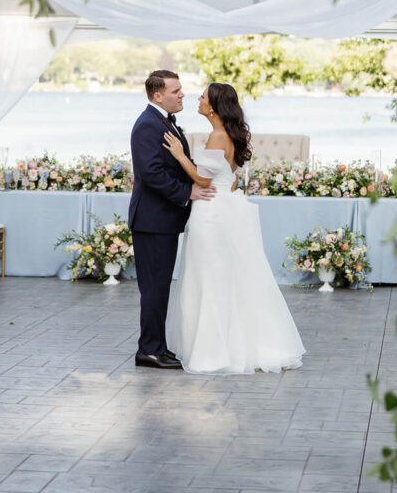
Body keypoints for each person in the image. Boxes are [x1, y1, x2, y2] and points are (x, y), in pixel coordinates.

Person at [165, 82, 306, 374]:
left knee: (208, 278)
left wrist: (180, 155)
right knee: (221, 276)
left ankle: (213, 351)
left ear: (214, 106)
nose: (198, 99)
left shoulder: (217, 136)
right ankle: (228, 344)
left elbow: (203, 181)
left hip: (211, 213)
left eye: (203, 97)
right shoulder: (227, 134)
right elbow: (231, 176)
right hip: (221, 208)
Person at [128, 70, 215, 370]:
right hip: (151, 222)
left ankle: (157, 346)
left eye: (181, 90)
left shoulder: (162, 122)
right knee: (153, 288)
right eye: (176, 91)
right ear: (157, 95)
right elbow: (150, 173)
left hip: (162, 221)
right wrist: (186, 192)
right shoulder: (147, 126)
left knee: (160, 287)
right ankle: (148, 350)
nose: (182, 95)